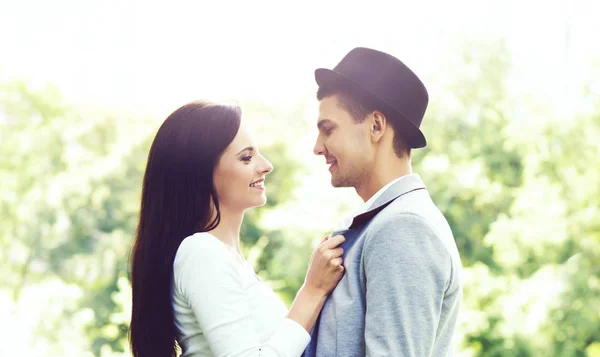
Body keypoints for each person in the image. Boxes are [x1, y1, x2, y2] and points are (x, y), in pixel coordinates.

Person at [129, 100, 346, 357]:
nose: (266, 166)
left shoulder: (224, 257)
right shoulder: (201, 252)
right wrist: (313, 291)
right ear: (200, 173)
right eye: (246, 157)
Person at [303, 47, 463, 357]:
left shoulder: (404, 228)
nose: (317, 147)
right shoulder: (383, 221)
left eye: (328, 129)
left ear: (376, 126)